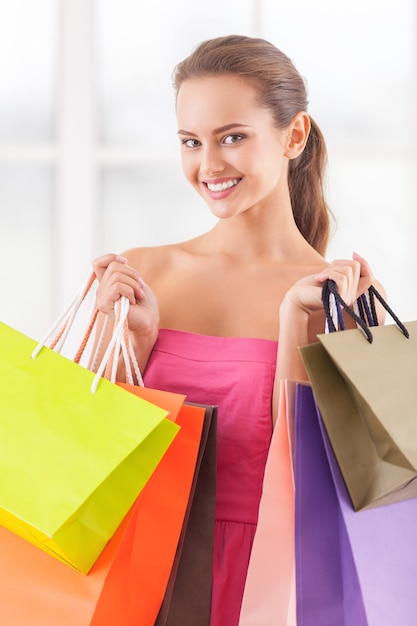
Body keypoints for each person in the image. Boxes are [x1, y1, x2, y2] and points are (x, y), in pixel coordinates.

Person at [92, 35, 384, 625]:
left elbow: (330, 488)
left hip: (274, 582)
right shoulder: (145, 272)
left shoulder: (338, 295)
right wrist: (132, 348)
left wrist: (293, 326)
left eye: (232, 137)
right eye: (191, 142)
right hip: (144, 569)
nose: (209, 165)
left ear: (293, 136)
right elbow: (84, 465)